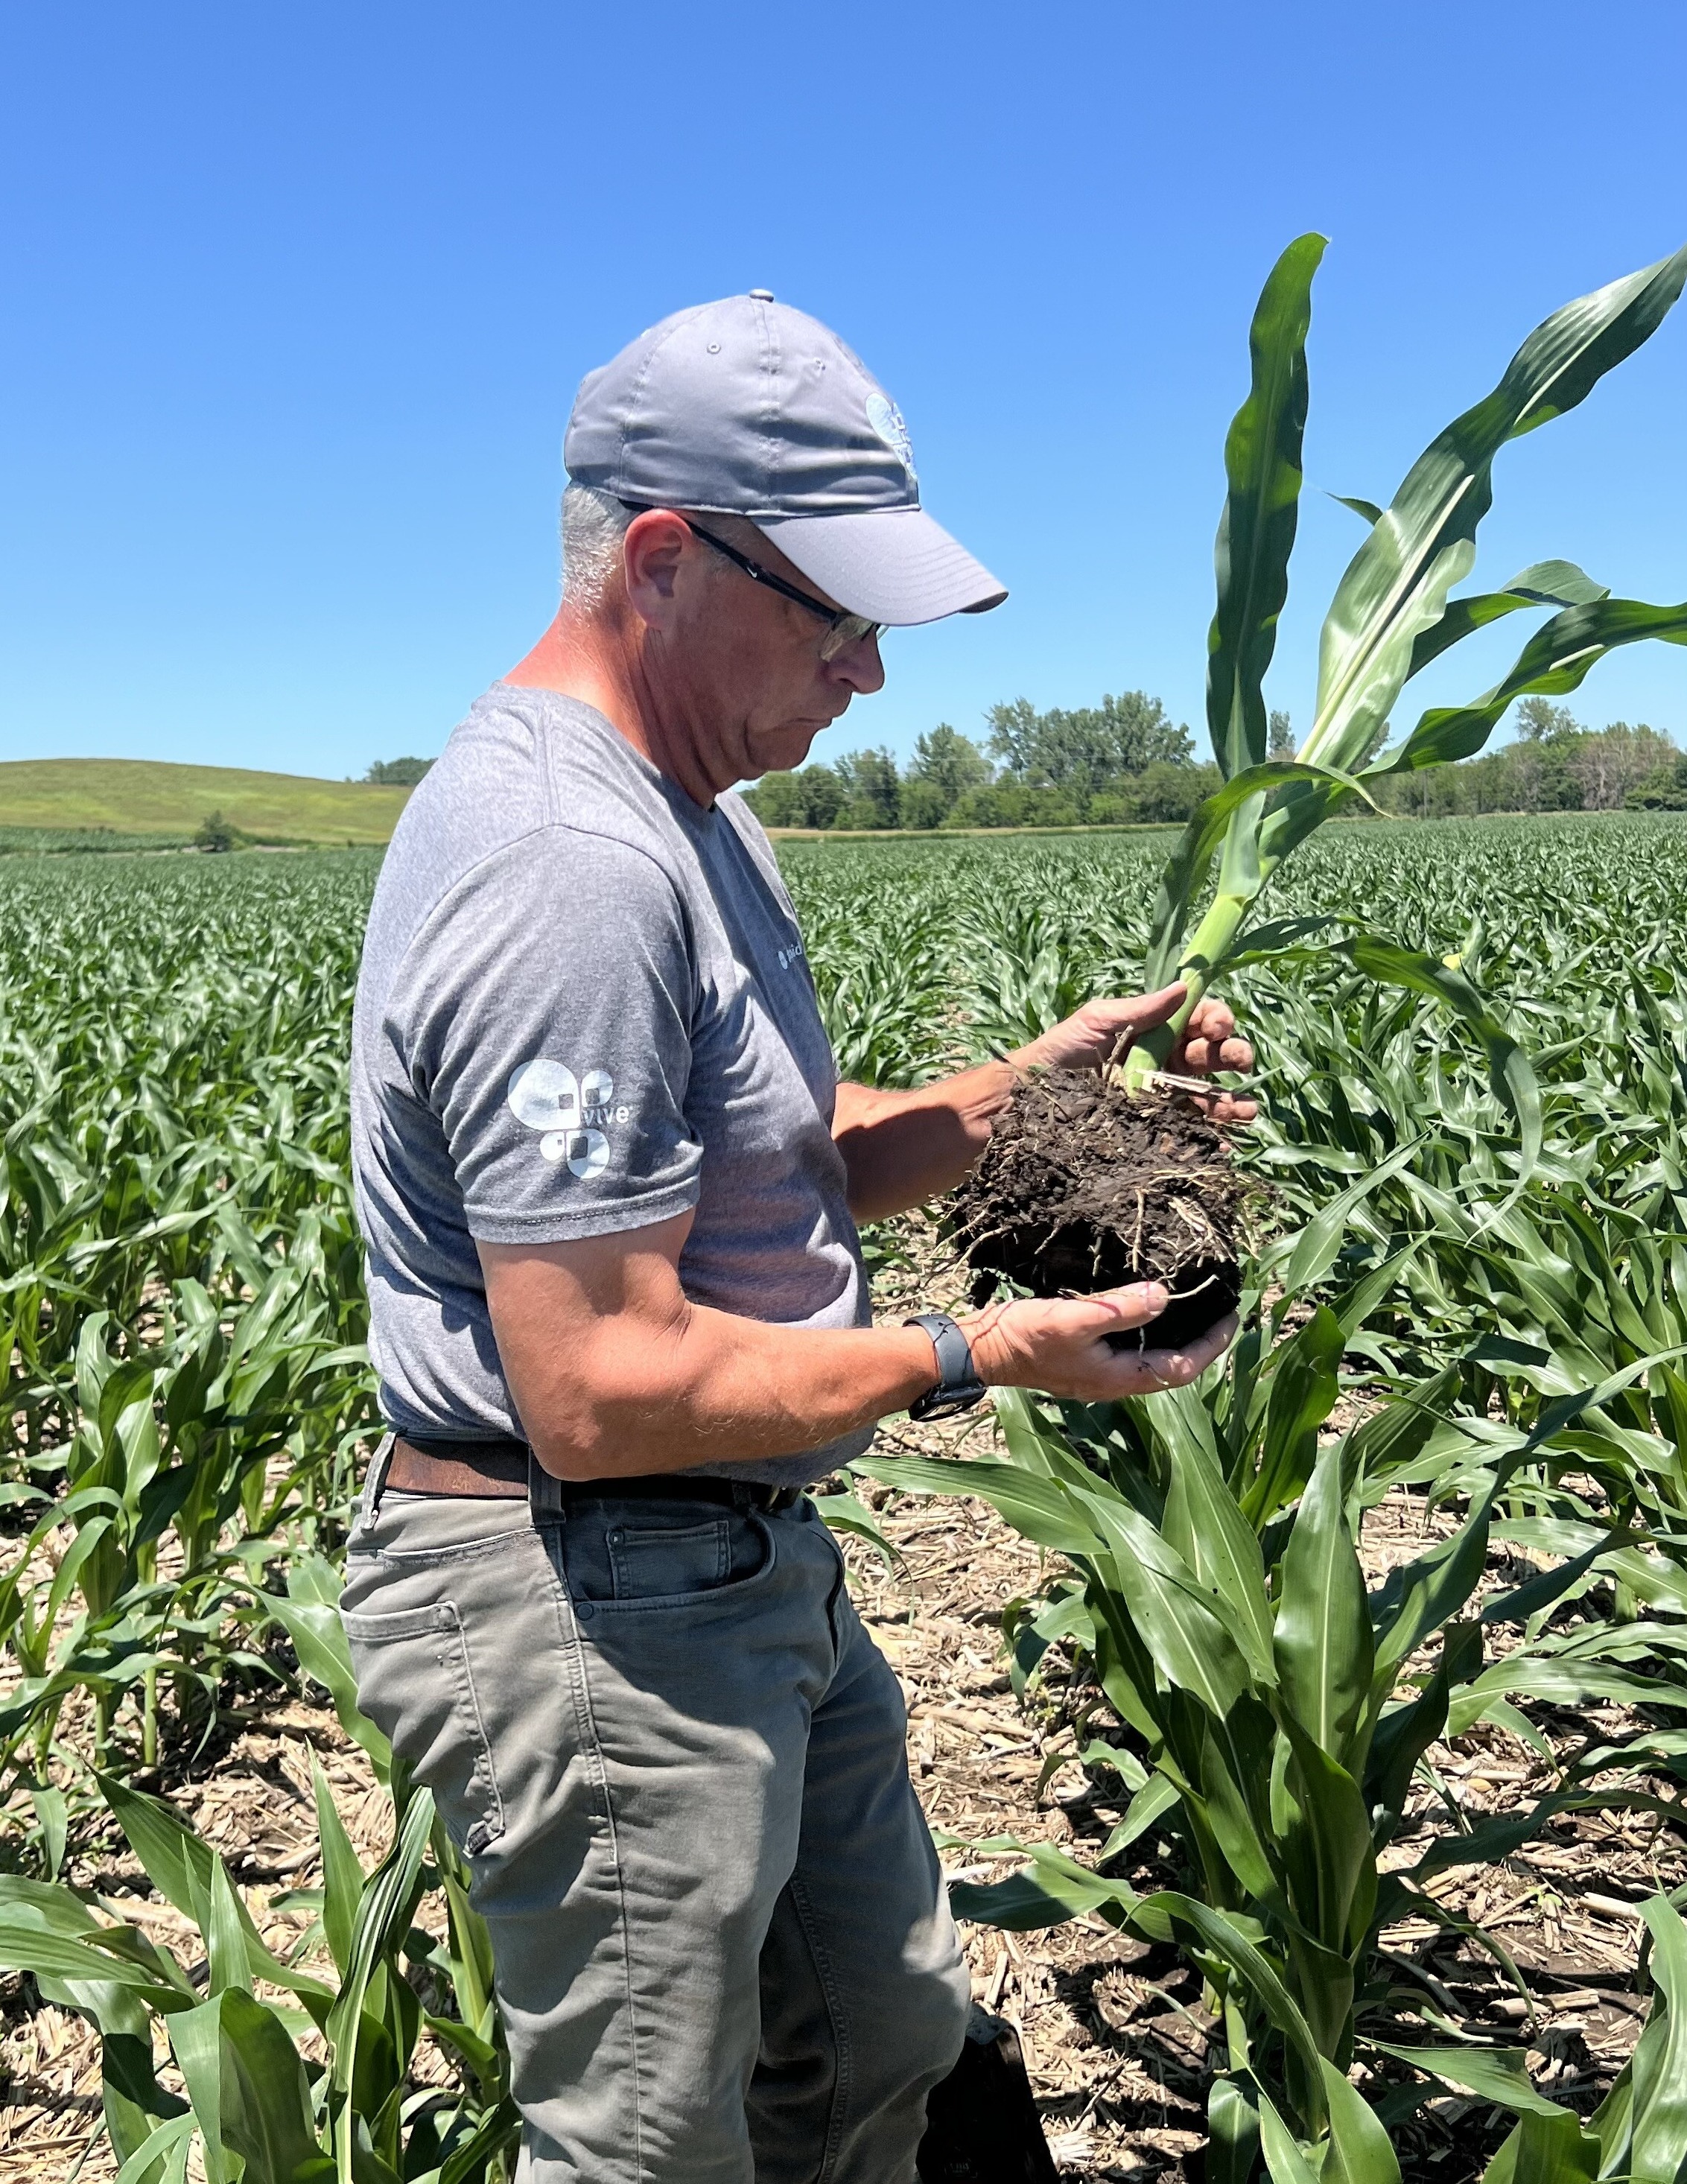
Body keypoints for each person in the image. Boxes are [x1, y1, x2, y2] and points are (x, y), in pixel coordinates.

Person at [341, 293, 1255, 2184]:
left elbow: (773, 1153)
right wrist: (972, 1350)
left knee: (876, 2039)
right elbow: (597, 1385)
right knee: (648, 2143)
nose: (867, 673)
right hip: (583, 1577)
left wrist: (1038, 1096)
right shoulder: (564, 863)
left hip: (733, 1549)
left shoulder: (699, 813)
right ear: (660, 558)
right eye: (832, 614)